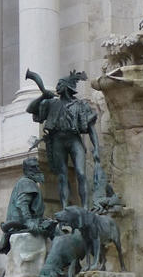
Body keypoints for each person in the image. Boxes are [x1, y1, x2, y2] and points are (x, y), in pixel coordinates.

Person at [26, 69, 100, 210]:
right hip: (57, 141)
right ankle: (65, 207)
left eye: (60, 84)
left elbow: (91, 128)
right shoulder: (51, 103)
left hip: (74, 140)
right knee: (62, 176)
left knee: (81, 173)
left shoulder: (80, 105)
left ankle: (85, 207)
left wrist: (96, 148)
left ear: (66, 87)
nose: (57, 87)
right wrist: (42, 97)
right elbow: (30, 109)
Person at [0, 156, 55, 254]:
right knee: (55, 231)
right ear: (27, 170)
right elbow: (22, 203)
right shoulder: (26, 182)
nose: (38, 169)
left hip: (25, 222)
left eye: (38, 166)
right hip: (22, 224)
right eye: (34, 167)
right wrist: (29, 221)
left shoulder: (27, 182)